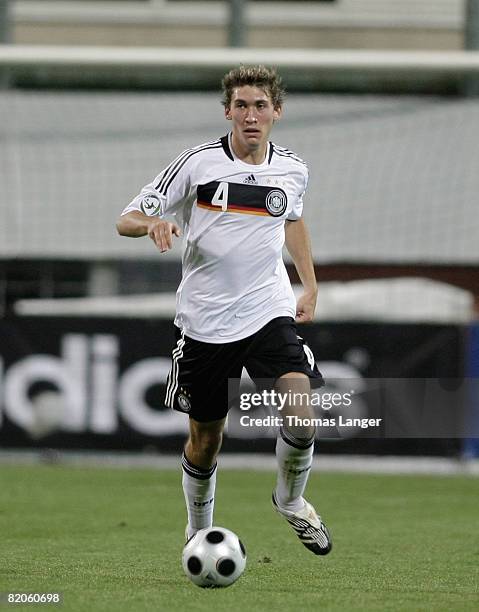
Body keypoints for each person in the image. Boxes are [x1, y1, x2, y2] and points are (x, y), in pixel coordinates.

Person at [116, 65, 332, 556]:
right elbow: (125, 218)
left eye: (260, 106)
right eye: (241, 106)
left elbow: (293, 220)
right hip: (206, 320)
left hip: (267, 309)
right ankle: (198, 530)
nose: (250, 115)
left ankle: (292, 501)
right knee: (207, 438)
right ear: (228, 112)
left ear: (276, 111)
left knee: (302, 412)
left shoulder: (294, 168)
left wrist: (310, 285)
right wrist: (152, 225)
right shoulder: (197, 164)